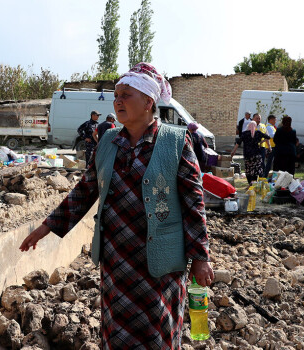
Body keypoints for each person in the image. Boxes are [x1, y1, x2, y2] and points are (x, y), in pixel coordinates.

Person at [20, 62, 213, 349]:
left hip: (159, 262)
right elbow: (84, 191)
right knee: (117, 335)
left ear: (149, 102)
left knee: (157, 335)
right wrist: (46, 227)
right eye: (116, 95)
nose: (118, 101)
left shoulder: (175, 142)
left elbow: (193, 202)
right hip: (117, 260)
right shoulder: (108, 141)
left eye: (126, 95)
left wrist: (200, 255)